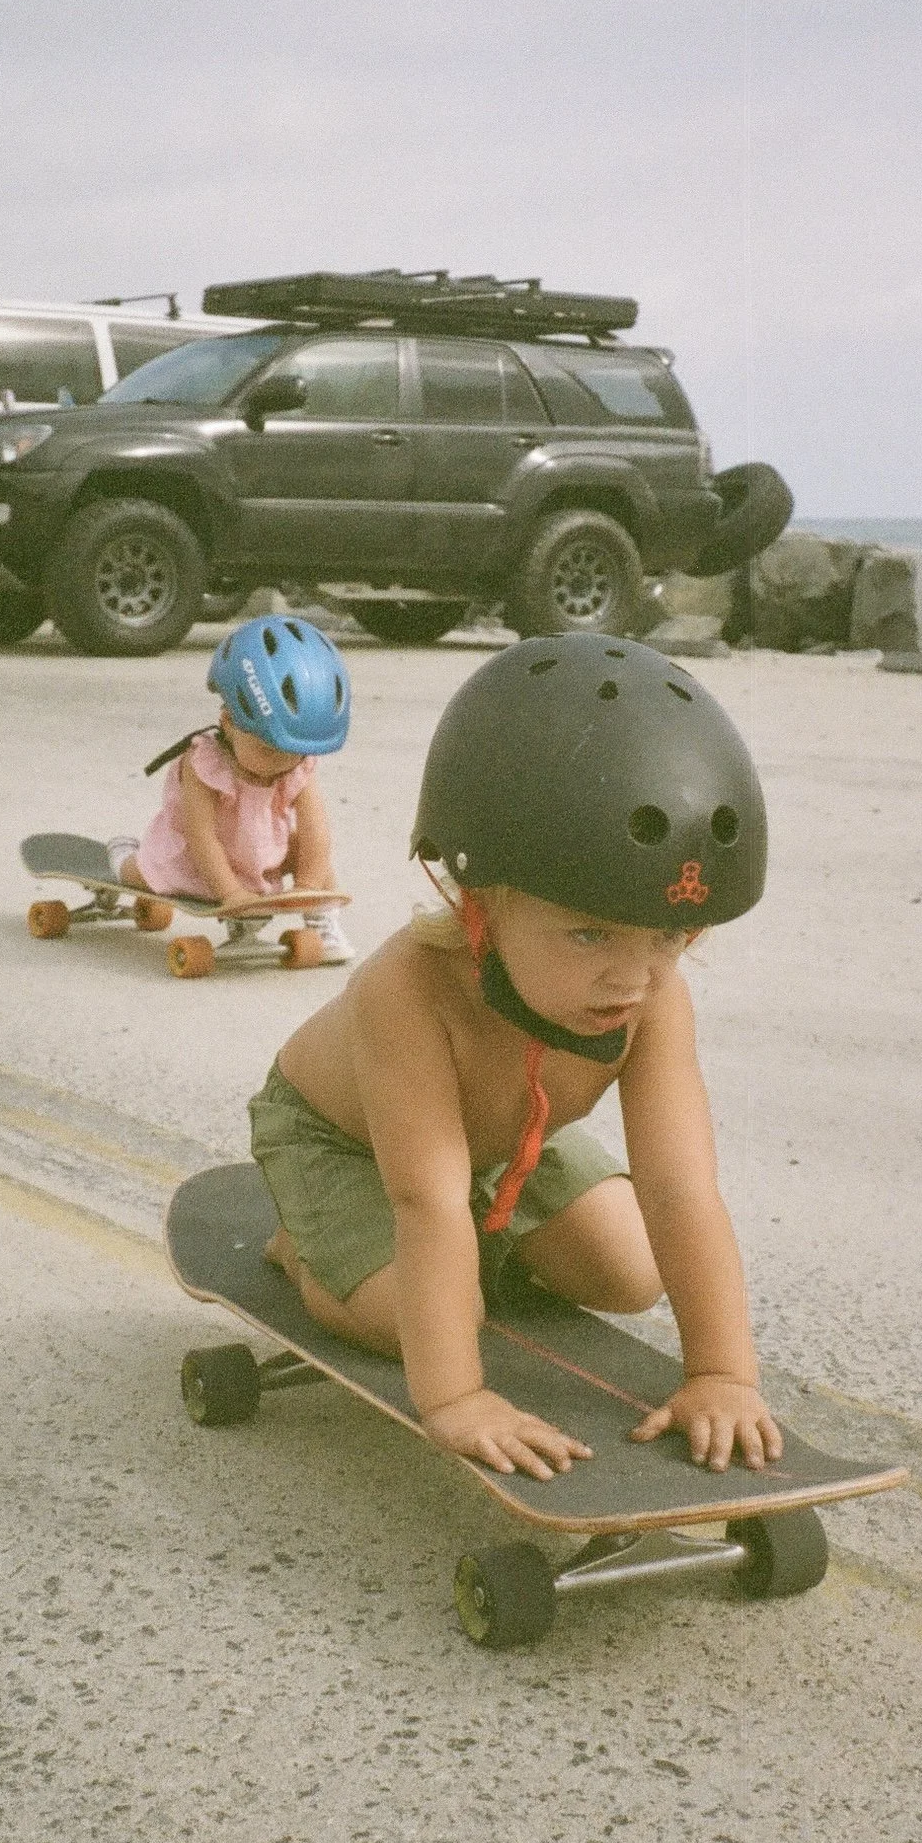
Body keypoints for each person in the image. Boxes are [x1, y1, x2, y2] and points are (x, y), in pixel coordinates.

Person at [248, 631, 780, 1479]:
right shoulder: (408, 993)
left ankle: (480, 1248)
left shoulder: (650, 995)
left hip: (498, 1141)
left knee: (631, 1270)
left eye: (669, 935)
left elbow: (681, 1188)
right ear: (479, 902)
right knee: (409, 1322)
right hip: (343, 1140)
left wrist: (721, 1374)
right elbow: (425, 1201)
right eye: (587, 931)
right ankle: (302, 1245)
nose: (632, 976)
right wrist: (457, 1397)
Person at [119, 613, 350, 952]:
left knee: (315, 856)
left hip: (261, 856)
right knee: (138, 875)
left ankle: (321, 923)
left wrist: (308, 886)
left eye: (296, 753)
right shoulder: (203, 765)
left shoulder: (296, 765)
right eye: (269, 749)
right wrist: (231, 894)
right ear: (229, 721)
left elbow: (317, 830)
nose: (284, 764)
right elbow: (202, 837)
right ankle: (122, 852)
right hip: (198, 864)